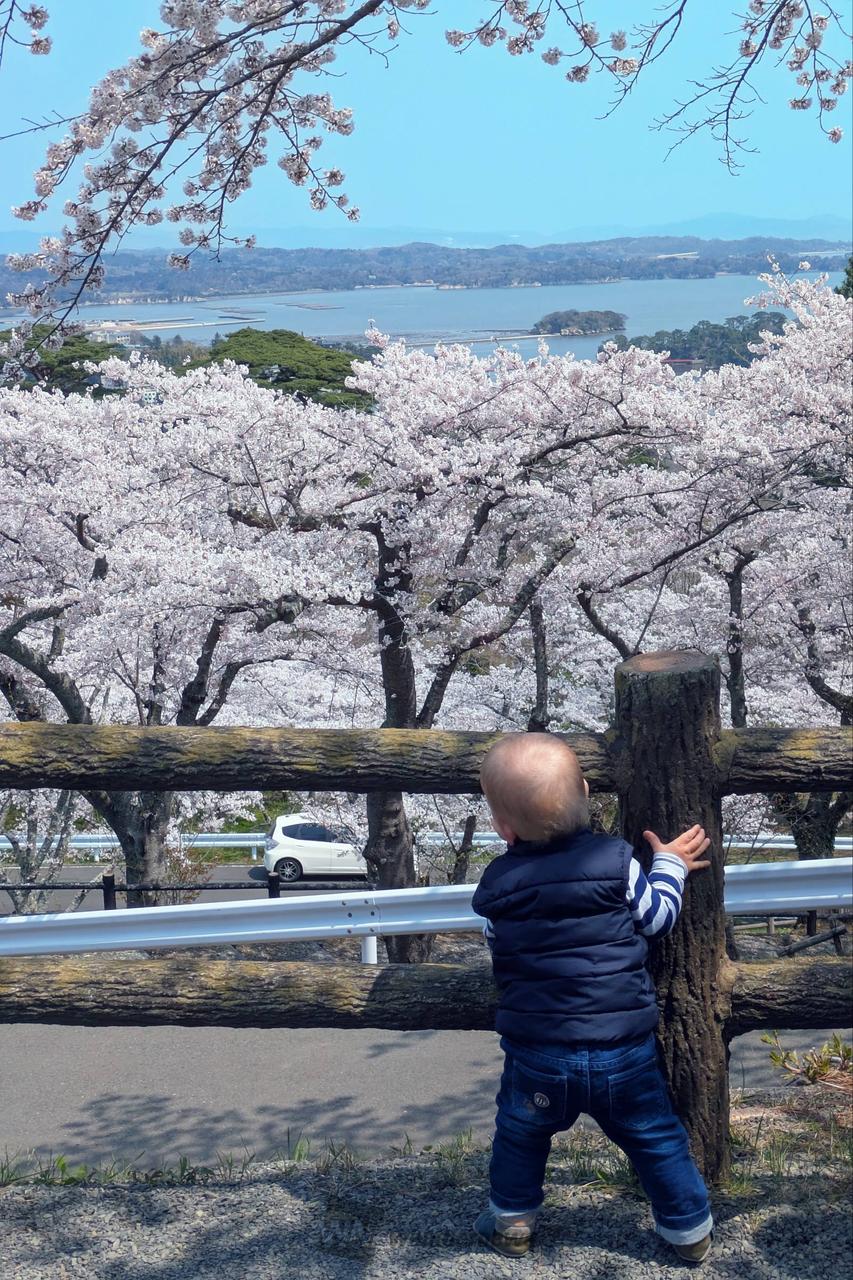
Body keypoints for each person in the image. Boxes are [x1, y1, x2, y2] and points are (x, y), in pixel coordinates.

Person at [471, 732, 714, 1263]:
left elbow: (498, 944)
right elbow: (655, 920)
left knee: (520, 1133)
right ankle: (688, 1229)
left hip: (538, 1050)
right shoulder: (616, 860)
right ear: (585, 791)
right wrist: (669, 865)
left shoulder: (498, 883)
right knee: (654, 1134)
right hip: (622, 1051)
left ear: (502, 827)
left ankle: (512, 1221)